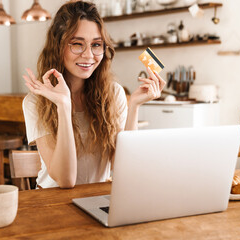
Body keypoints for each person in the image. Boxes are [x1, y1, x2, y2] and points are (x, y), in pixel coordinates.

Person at [23, 1, 165, 189]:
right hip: (52, 203)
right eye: (77, 44)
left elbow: (121, 166)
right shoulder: (36, 101)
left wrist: (134, 106)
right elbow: (66, 180)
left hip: (96, 200)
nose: (89, 55)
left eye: (96, 44)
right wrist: (64, 106)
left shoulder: (114, 93)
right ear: (58, 46)